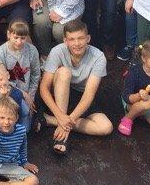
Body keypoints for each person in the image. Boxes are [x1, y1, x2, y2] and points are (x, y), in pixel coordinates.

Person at [39, 20, 113, 155]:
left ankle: (51, 120)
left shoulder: (99, 57)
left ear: (88, 38)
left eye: (81, 38)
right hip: (60, 90)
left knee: (106, 127)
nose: (77, 43)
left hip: (81, 95)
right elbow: (44, 88)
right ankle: (62, 138)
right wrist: (60, 115)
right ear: (65, 41)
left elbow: (89, 95)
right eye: (72, 39)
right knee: (64, 72)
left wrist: (66, 121)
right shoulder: (57, 51)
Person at [0, 21, 41, 116]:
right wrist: (23, 94)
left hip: (28, 91)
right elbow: (0, 80)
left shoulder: (32, 50)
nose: (19, 42)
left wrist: (31, 95)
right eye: (16, 37)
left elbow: (35, 75)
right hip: (7, 92)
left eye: (23, 38)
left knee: (27, 115)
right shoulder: (0, 52)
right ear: (8, 34)